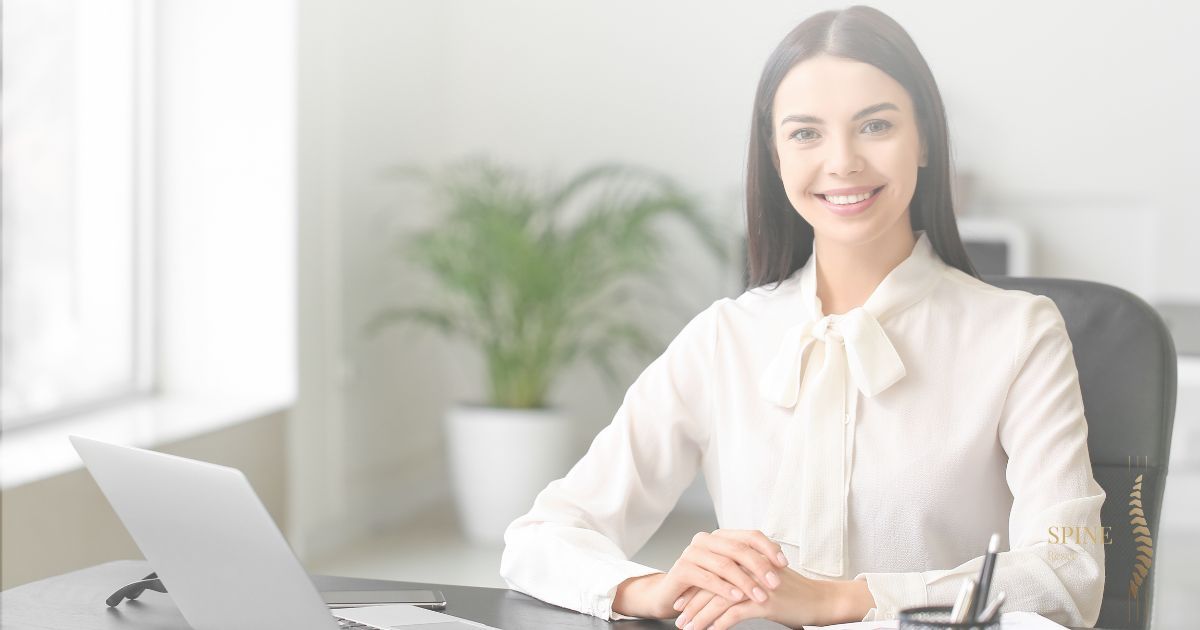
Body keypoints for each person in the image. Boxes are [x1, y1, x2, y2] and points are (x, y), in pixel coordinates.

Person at [499, 5, 1106, 629]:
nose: (842, 161)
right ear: (776, 155)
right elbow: (541, 537)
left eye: (875, 126)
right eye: (806, 133)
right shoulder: (725, 338)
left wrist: (841, 600)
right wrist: (648, 588)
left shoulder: (1019, 333)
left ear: (923, 137)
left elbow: (1067, 575)